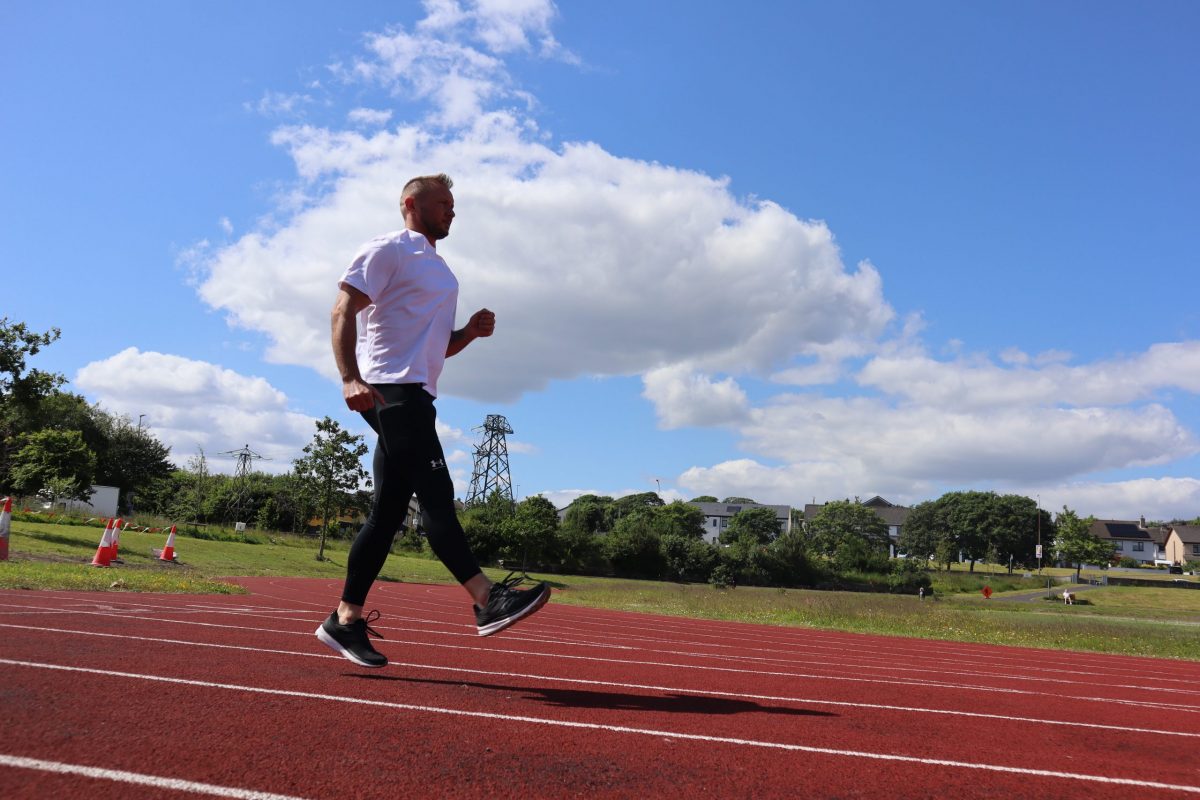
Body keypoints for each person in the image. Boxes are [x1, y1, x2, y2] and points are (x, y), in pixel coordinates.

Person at [315, 173, 549, 668]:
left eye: (453, 205)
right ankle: (487, 599)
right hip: (389, 390)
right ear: (410, 204)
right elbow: (342, 309)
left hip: (418, 392)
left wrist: (468, 333)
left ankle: (345, 618)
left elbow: (437, 346)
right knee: (437, 497)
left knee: (387, 514)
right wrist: (348, 377)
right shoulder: (389, 250)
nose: (451, 211)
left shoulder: (440, 270)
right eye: (443, 203)